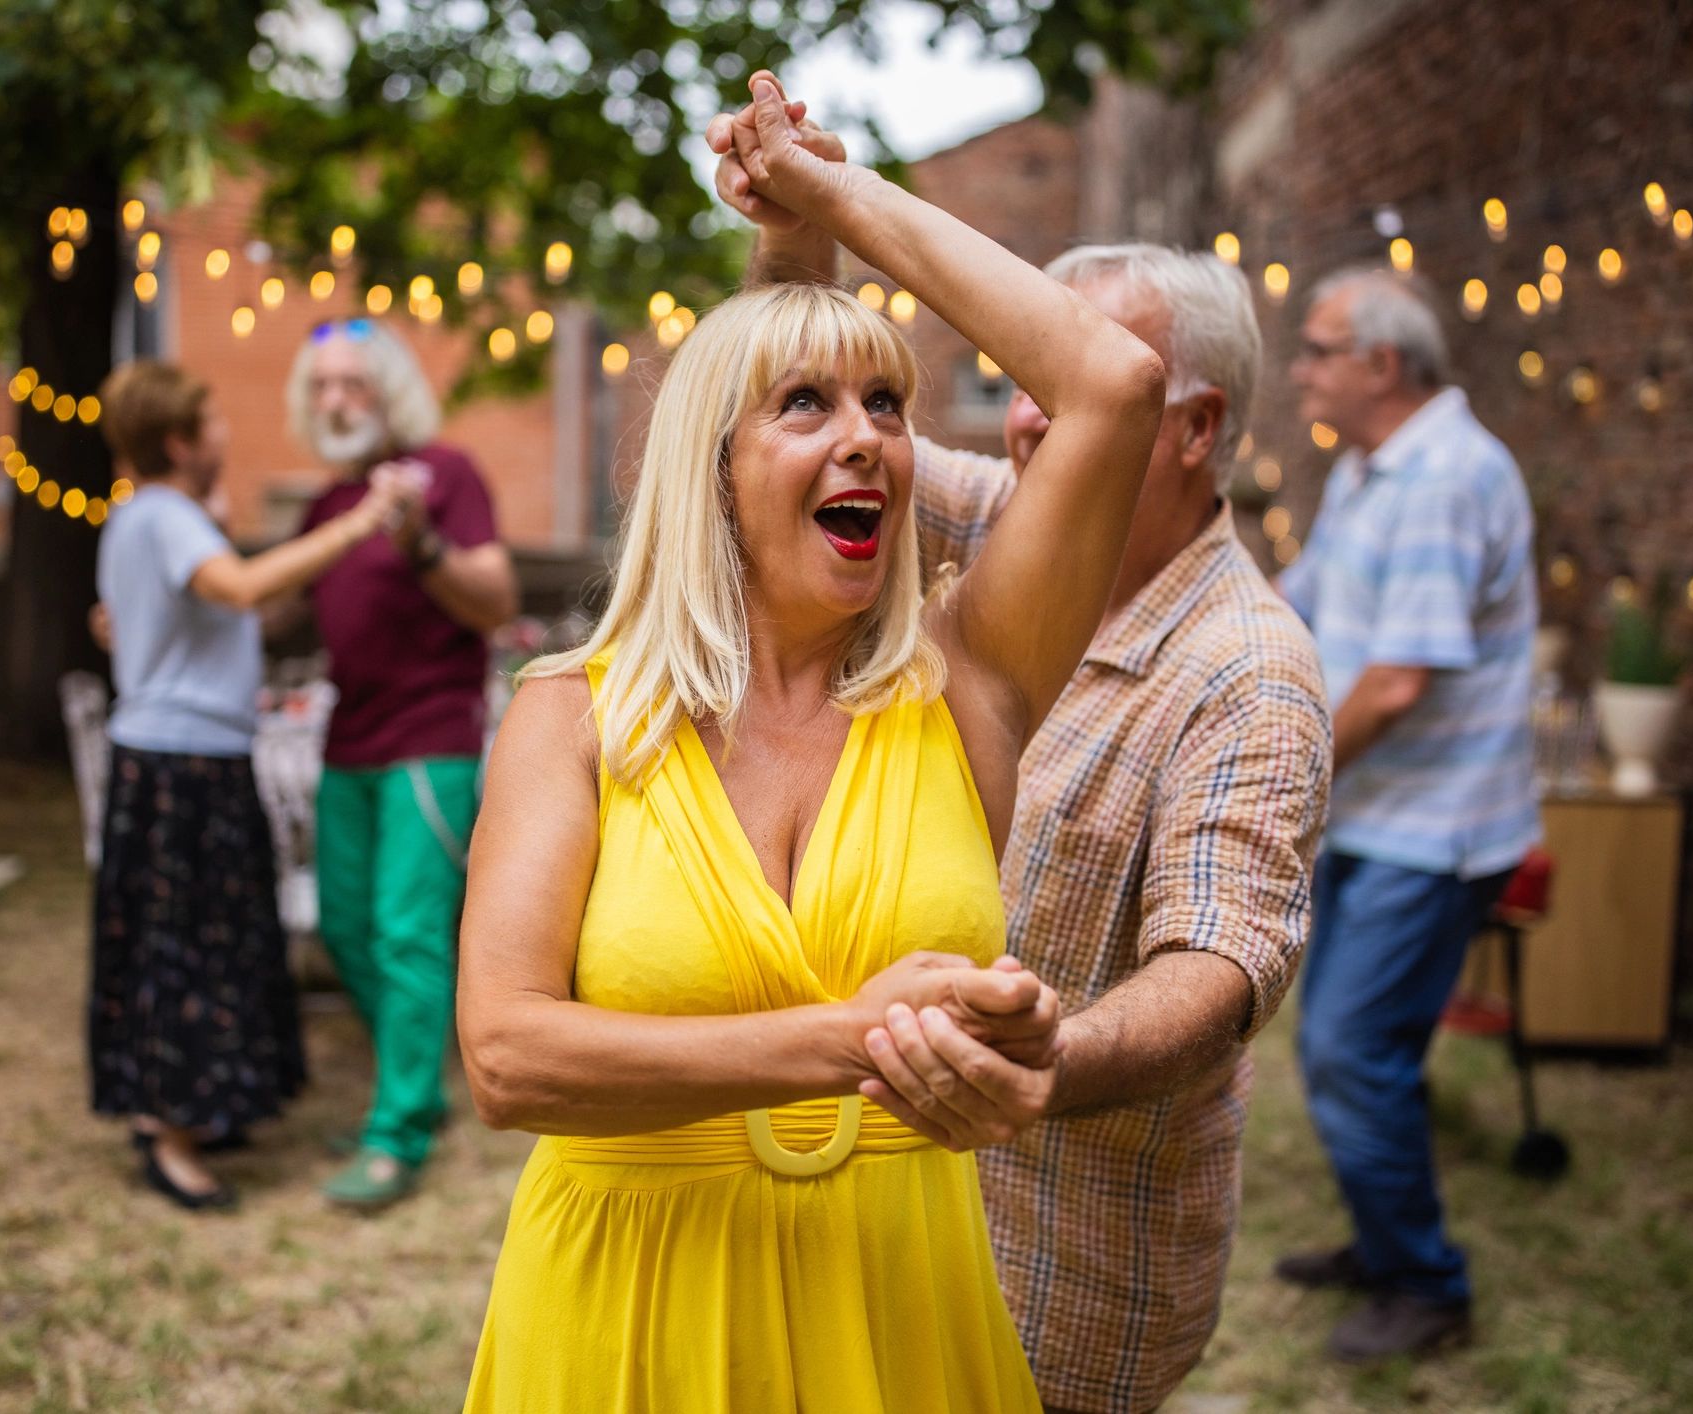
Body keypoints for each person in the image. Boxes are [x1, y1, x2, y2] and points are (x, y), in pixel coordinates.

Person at [456, 76, 1166, 1411]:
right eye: (806, 406)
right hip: (630, 1315)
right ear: (712, 470)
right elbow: (508, 1055)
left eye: (888, 406)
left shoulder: (970, 683)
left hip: (897, 1310)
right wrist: (855, 1037)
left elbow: (1116, 384)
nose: (869, 441)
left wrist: (832, 194)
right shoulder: (576, 713)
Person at [714, 98, 1334, 1414]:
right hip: (876, 1224)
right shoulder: (1007, 513)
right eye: (1021, 394)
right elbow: (812, 447)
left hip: (1061, 1260)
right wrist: (797, 239)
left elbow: (1221, 970)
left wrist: (1051, 1057)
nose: (1029, 427)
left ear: (1194, 425)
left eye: (1064, 391)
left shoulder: (1250, 665)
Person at [1272, 268, 1540, 1361]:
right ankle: (1386, 1247)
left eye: (1317, 348)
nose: (1299, 368)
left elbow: (1392, 682)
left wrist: (1286, 781)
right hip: (1375, 816)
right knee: (1350, 1047)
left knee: (1344, 1048)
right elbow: (1302, 597)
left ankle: (1425, 1283)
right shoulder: (1368, 467)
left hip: (1433, 830)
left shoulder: (1440, 479)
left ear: (1380, 365)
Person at [89, 359, 408, 1210]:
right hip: (177, 767)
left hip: (185, 760)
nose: (226, 436)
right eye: (213, 421)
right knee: (183, 949)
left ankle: (194, 1105)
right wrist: (359, 523)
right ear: (177, 440)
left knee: (206, 942)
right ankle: (172, 1138)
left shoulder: (151, 521)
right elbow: (235, 586)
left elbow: (220, 616)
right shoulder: (164, 516)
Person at [284, 316, 521, 1209]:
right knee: (345, 930)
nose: (336, 399)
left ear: (391, 391)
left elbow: (494, 598)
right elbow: (279, 610)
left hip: (429, 743)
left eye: (353, 382)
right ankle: (411, 1081)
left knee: (407, 935)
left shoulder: (446, 477)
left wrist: (420, 539)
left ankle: (398, 1131)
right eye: (321, 386)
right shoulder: (325, 506)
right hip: (347, 742)